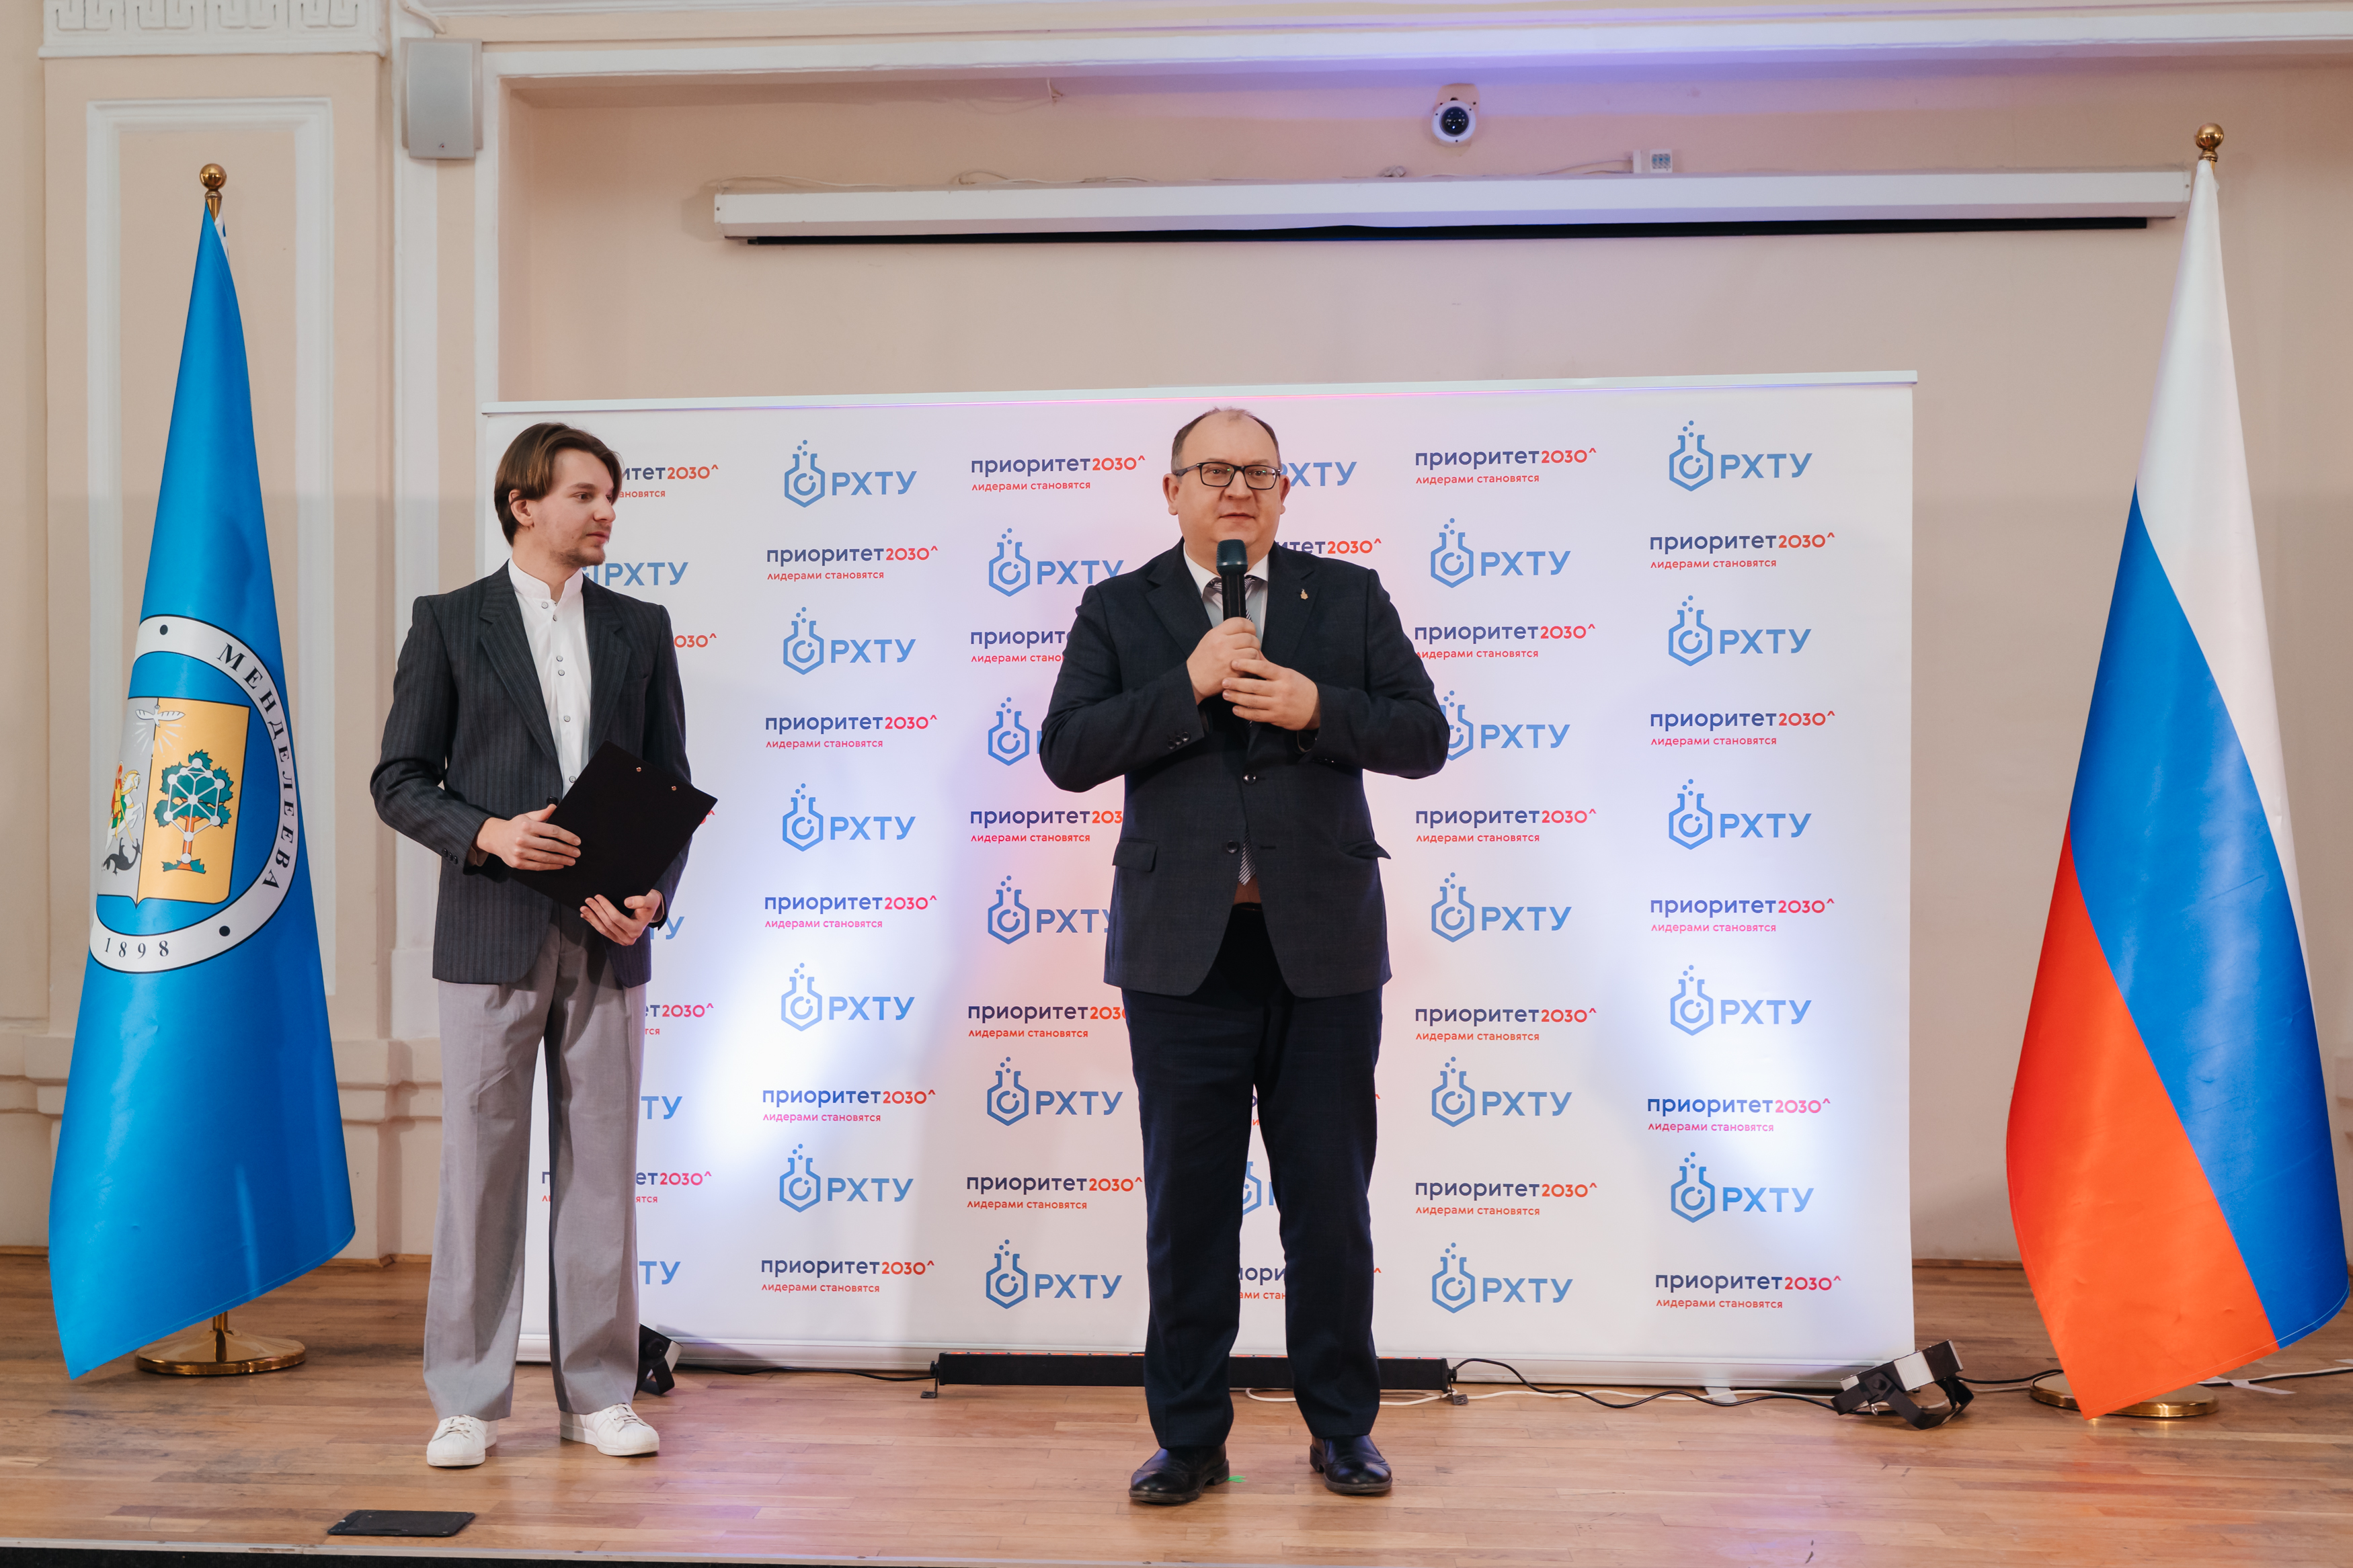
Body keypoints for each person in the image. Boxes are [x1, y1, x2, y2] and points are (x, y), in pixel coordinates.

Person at [1041, 408, 1447, 1504]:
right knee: (1189, 1212)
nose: (1237, 490)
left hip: (1324, 952)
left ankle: (1343, 1428)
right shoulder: (1120, 608)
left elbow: (1424, 735)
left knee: (1330, 1206)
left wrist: (1319, 708)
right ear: (1171, 489)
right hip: (1183, 959)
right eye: (1214, 471)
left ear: (1284, 491)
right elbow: (1066, 752)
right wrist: (1185, 684)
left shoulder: (1346, 596)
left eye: (1259, 473)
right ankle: (1189, 1438)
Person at [371, 422, 691, 1469]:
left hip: (607, 939)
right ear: (523, 503)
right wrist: (489, 834)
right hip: (490, 932)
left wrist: (653, 893)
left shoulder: (642, 628)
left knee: (602, 1170)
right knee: (481, 1170)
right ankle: (466, 1397)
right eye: (585, 494)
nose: (606, 512)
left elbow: (671, 787)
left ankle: (598, 1394)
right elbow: (399, 780)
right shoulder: (449, 622)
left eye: (612, 496)